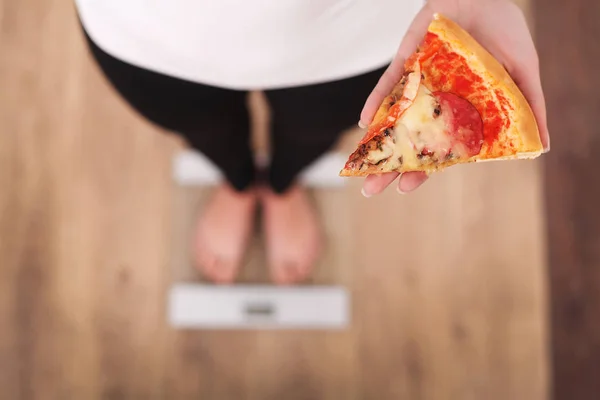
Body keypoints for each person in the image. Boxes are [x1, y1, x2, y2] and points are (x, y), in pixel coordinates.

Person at [74, 0, 549, 285]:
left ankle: (282, 184)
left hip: (353, 34)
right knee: (204, 132)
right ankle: (239, 183)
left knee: (312, 133)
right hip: (146, 32)